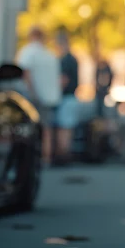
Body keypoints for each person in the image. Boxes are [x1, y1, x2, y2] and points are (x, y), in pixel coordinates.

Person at [16, 26, 61, 165]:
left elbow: (25, 73)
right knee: (47, 128)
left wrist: (31, 92)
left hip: (33, 96)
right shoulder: (50, 55)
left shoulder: (28, 52)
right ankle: (45, 158)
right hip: (50, 97)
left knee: (28, 128)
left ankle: (28, 159)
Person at [55, 31, 79, 163]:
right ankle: (66, 154)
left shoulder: (65, 60)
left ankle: (63, 155)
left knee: (64, 128)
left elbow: (64, 80)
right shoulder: (73, 59)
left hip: (66, 97)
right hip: (72, 97)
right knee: (68, 128)